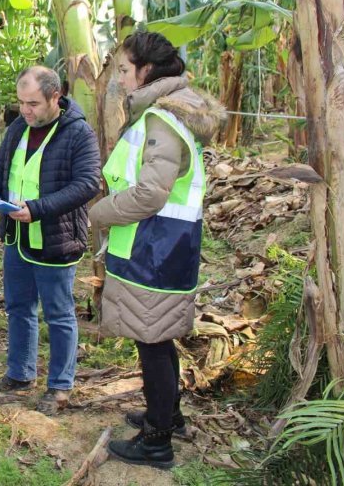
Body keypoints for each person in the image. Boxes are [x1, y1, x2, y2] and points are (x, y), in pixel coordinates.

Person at [89, 31, 225, 469]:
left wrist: (100, 212)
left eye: (125, 71)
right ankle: (168, 415)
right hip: (161, 249)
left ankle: (156, 441)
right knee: (157, 338)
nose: (122, 81)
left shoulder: (162, 121)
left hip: (154, 252)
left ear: (147, 70)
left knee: (152, 345)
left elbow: (150, 194)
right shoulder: (168, 114)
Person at [0, 66, 101, 413]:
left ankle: (60, 386)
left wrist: (38, 208)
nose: (26, 110)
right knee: (18, 307)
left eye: (33, 103)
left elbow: (88, 183)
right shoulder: (19, 127)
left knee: (59, 313)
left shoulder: (78, 133)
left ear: (55, 96)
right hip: (17, 236)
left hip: (54, 237)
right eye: (21, 103)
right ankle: (20, 375)